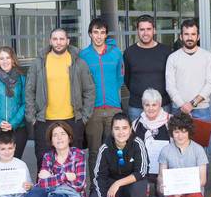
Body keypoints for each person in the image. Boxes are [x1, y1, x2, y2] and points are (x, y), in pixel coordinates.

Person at [26, 28, 95, 166]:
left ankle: (74, 188)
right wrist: (32, 117)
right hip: (44, 120)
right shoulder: (38, 63)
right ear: (50, 41)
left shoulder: (78, 63)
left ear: (68, 41)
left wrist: (84, 117)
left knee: (73, 162)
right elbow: (29, 90)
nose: (58, 42)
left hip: (72, 120)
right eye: (55, 39)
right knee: (43, 160)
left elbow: (89, 90)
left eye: (62, 39)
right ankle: (44, 187)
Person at [25, 121, 89, 197]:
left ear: (69, 137)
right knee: (33, 195)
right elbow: (42, 184)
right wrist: (64, 176)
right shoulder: (48, 157)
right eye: (55, 135)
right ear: (51, 141)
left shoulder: (78, 154)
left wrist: (51, 177)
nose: (59, 138)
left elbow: (79, 185)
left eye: (63, 134)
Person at [89, 113, 149, 197]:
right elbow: (99, 177)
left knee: (141, 183)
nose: (121, 132)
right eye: (117, 128)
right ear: (111, 130)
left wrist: (118, 183)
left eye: (124, 128)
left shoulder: (138, 143)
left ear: (130, 129)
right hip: (111, 186)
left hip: (130, 184)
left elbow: (141, 171)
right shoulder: (105, 148)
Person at [80, 17, 124, 175]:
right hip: (93, 110)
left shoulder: (116, 53)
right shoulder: (83, 55)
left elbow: (120, 78)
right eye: (95, 32)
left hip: (113, 109)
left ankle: (112, 184)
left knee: (113, 149)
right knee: (94, 151)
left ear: (106, 35)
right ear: (90, 34)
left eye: (102, 32)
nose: (99, 36)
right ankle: (94, 187)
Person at [157, 112, 208, 197]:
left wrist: (183, 189)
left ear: (189, 132)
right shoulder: (165, 150)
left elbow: (202, 180)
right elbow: (161, 175)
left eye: (184, 131)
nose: (180, 136)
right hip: (173, 193)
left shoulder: (198, 150)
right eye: (176, 132)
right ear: (171, 133)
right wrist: (162, 185)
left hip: (193, 191)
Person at [165, 19, 211, 123]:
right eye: (186, 34)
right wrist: (183, 105)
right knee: (179, 139)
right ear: (181, 36)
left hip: (202, 110)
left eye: (193, 34)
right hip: (179, 109)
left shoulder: (207, 56)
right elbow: (170, 86)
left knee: (200, 140)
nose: (190, 37)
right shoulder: (172, 58)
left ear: (198, 36)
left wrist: (192, 104)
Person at [123, 14, 172, 121]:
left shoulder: (166, 51)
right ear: (137, 31)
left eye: (148, 29)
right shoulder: (129, 52)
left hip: (162, 105)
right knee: (137, 137)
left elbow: (171, 79)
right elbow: (127, 79)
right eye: (142, 29)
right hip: (137, 106)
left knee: (165, 137)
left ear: (154, 30)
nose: (145, 33)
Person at [132, 88, 171, 184]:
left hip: (166, 170)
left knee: (163, 194)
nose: (150, 108)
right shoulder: (136, 124)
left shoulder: (170, 121)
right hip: (143, 171)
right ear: (143, 105)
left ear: (160, 104)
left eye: (154, 105)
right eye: (147, 105)